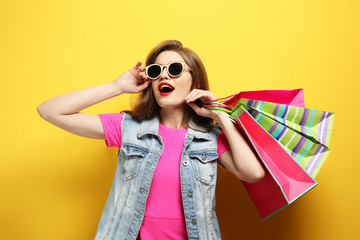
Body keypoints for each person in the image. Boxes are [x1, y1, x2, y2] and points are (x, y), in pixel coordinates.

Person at [37, 40, 265, 240]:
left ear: (194, 82)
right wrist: (116, 87)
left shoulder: (209, 138)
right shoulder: (128, 128)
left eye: (174, 69)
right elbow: (49, 111)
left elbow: (253, 173)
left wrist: (219, 115)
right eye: (156, 71)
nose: (164, 75)